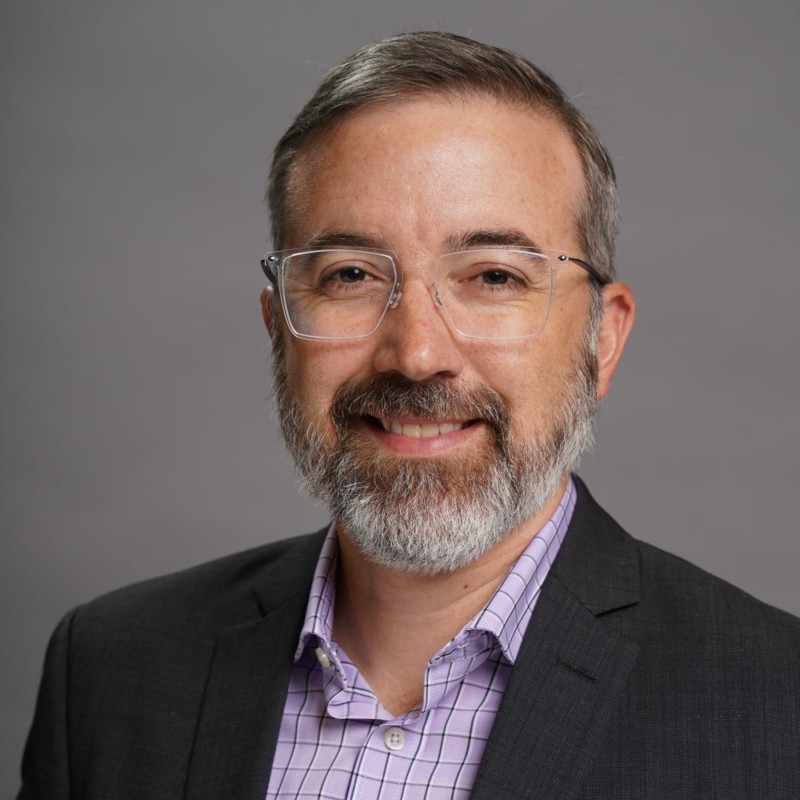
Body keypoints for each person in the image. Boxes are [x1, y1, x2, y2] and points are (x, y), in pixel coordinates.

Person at [18, 31, 800, 800]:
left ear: (602, 339)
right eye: (351, 275)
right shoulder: (112, 670)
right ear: (278, 327)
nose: (417, 353)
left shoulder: (775, 707)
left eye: (494, 277)